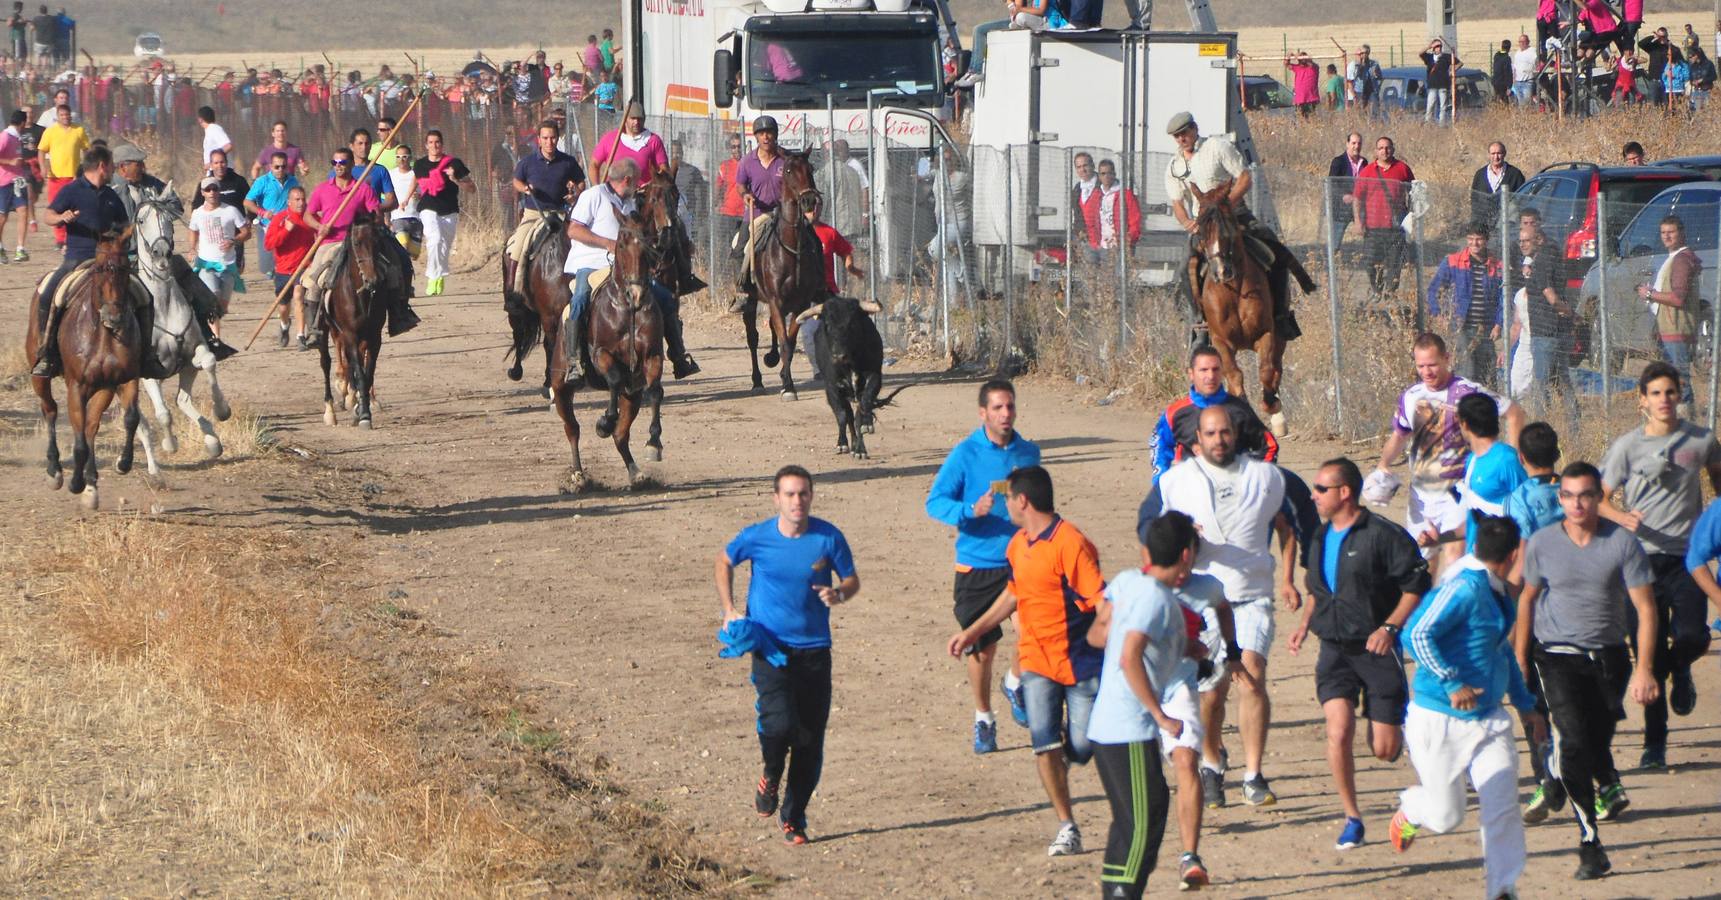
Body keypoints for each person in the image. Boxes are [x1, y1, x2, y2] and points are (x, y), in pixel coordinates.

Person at [947, 465, 1106, 857]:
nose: (1006, 506)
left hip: (1080, 662)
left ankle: (1067, 759)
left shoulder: (1072, 544)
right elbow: (1013, 595)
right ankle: (1067, 826)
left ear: (1022, 501)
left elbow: (1101, 602)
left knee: (1084, 746)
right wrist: (972, 631)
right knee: (1043, 743)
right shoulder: (1018, 545)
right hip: (1035, 662)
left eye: (1009, 499)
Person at [1514, 462, 1660, 880]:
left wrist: (1645, 668)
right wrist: (1521, 658)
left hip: (1609, 657)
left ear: (1599, 498)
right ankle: (1589, 841)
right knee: (1573, 738)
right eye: (1569, 495)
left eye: (1585, 495)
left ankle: (1558, 775)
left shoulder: (1621, 544)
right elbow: (1527, 599)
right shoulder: (1543, 543)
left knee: (1595, 742)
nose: (1577, 504)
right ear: (1559, 499)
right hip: (1556, 656)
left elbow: (1646, 610)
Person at [1388, 516, 1543, 900]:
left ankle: (1503, 889)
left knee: (1502, 804)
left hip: (1488, 719)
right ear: (1513, 554)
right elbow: (1415, 633)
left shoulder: (1497, 590)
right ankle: (1412, 808)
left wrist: (1527, 705)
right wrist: (1452, 681)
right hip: (1438, 717)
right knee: (1446, 816)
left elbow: (1499, 649)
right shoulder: (1465, 588)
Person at [1152, 405, 1297, 808]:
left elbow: (1291, 526)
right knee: (1211, 692)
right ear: (1197, 440)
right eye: (1211, 434)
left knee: (1251, 673)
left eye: (1225, 432)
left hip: (1251, 593)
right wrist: (1186, 539)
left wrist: (1289, 578)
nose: (1219, 440)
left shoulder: (1266, 477)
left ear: (1236, 434)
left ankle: (1254, 774)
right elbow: (1157, 536)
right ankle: (1213, 763)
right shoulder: (1176, 482)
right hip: (1204, 597)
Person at [1288, 457, 1430, 850]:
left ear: (1344, 492)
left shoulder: (1383, 534)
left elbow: (1417, 582)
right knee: (1338, 730)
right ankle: (1352, 818)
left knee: (1384, 750)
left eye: (1321, 489)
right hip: (1334, 649)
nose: (1314, 496)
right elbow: (1319, 588)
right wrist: (1304, 624)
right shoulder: (1317, 537)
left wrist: (1390, 628)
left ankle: (1420, 790)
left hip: (1376, 649)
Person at [715, 465, 859, 846]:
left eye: (804, 494)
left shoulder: (828, 538)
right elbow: (725, 560)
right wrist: (730, 609)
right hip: (771, 649)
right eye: (790, 495)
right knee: (779, 726)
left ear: (811, 496)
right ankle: (771, 772)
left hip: (815, 651)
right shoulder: (758, 537)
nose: (798, 501)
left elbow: (851, 579)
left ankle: (794, 818)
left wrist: (839, 594)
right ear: (776, 498)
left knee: (810, 741)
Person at [1599, 363, 1721, 769]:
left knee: (1692, 636)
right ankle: (1655, 745)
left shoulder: (1702, 440)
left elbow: (1719, 487)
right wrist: (1621, 518)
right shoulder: (1626, 448)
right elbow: (1598, 498)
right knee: (1645, 652)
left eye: (1670, 392)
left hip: (1687, 559)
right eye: (1655, 393)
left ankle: (1679, 667)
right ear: (1641, 401)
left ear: (1680, 394)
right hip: (1640, 560)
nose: (1664, 400)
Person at [1082, 512, 1198, 899]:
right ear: (1186, 554)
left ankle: (1115, 891)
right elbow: (1128, 658)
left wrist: (1181, 645)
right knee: (1142, 823)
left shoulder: (1130, 582)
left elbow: (1100, 635)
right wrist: (1160, 714)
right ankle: (1123, 894)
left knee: (1136, 818)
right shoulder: (1156, 598)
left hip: (1109, 726)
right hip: (1127, 727)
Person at [926, 380, 1041, 753]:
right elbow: (935, 502)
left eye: (1009, 407)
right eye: (997, 408)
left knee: (1033, 633)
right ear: (982, 413)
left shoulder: (1029, 453)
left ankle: (1014, 681)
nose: (1005, 414)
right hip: (976, 564)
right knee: (981, 650)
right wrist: (968, 510)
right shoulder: (965, 455)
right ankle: (984, 718)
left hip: (1021, 560)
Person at [1368, 333, 1524, 571]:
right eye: (1421, 366)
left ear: (1447, 358)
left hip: (1457, 490)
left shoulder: (1467, 391)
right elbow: (1400, 435)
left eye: (1432, 364)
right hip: (1421, 493)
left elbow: (1514, 413)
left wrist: (1510, 455)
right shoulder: (1411, 396)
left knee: (1454, 559)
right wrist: (1383, 464)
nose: (1427, 371)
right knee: (1422, 563)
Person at [1164, 112, 1315, 340]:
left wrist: (1225, 205)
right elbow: (1177, 202)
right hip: (1205, 226)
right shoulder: (1175, 166)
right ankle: (1199, 321)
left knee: (1273, 249)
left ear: (1194, 128)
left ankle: (1280, 315)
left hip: (1236, 215)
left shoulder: (1217, 147)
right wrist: (1187, 222)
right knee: (1185, 269)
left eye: (1184, 133)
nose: (1181, 139)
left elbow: (1244, 177)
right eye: (1177, 136)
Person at [558, 159, 698, 382]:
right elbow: (574, 230)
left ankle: (678, 356)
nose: (638, 186)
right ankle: (574, 362)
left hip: (624, 268)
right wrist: (606, 243)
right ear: (627, 180)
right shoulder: (594, 195)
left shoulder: (630, 203)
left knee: (665, 298)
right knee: (580, 298)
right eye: (636, 181)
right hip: (591, 264)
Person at [1500, 421, 1567, 824]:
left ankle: (1546, 776)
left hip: (1536, 605)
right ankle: (1600, 778)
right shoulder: (1574, 489)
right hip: (1577, 602)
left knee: (1530, 696)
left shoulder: (1519, 499)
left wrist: (1504, 601)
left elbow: (1520, 558)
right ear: (1557, 453)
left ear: (1521, 458)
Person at [30, 145, 131, 378]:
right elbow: (47, 215)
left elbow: (124, 225)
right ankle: (47, 353)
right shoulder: (71, 190)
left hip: (109, 262)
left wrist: (124, 234)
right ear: (102, 166)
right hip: (77, 258)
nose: (114, 169)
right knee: (48, 294)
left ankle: (145, 352)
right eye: (112, 165)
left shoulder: (111, 195)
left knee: (142, 294)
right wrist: (61, 217)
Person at [1150, 345, 1278, 485]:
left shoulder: (1239, 410)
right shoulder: (1176, 412)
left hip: (1233, 492)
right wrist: (1161, 480)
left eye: (1215, 369)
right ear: (1191, 374)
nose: (1210, 376)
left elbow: (1269, 446)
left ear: (1222, 372)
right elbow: (1159, 443)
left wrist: (1252, 476)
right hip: (1189, 491)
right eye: (1204, 370)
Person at [503, 120, 586, 306]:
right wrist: (524, 188)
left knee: (581, 243)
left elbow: (581, 182)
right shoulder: (527, 162)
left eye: (553, 138)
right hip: (533, 214)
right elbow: (516, 181)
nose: (550, 142)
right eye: (545, 138)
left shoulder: (568, 162)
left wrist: (576, 193)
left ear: (558, 139)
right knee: (518, 246)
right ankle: (513, 291)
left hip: (561, 213)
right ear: (539, 140)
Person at [300, 148, 380, 334]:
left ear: (351, 164)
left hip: (356, 243)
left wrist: (366, 223)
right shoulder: (322, 189)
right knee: (315, 282)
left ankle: (399, 312)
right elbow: (307, 215)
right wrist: (320, 227)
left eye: (342, 162)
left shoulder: (362, 188)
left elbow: (376, 216)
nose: (338, 166)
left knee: (388, 270)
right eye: (334, 163)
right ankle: (313, 328)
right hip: (330, 242)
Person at [1515, 219, 1578, 424]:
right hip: (1554, 334)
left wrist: (1569, 312)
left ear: (1539, 240)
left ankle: (1541, 427)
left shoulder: (1540, 263)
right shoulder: (1547, 260)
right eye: (1520, 241)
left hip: (1544, 335)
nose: (1522, 244)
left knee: (1540, 386)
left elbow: (1551, 297)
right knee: (1562, 383)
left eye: (1527, 240)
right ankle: (1573, 425)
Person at [1635, 215, 1701, 409]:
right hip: (1670, 328)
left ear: (1682, 233)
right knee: (1673, 378)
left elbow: (1677, 298)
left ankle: (1685, 421)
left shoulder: (1680, 260)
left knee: (1680, 379)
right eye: (1663, 232)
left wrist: (1650, 294)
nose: (1666, 236)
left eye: (1671, 232)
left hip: (1676, 328)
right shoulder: (1675, 257)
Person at [1426, 226, 1504, 385]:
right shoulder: (1453, 261)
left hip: (1485, 329)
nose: (1474, 243)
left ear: (1486, 241)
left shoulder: (1496, 266)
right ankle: (1463, 406)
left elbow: (1503, 299)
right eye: (1470, 239)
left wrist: (1499, 323)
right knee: (1465, 371)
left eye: (1479, 239)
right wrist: (1439, 316)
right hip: (1459, 327)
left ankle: (1485, 407)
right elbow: (1433, 291)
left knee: (1487, 374)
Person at [1455, 394, 1527, 554]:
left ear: (1464, 424)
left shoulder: (1506, 459)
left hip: (1503, 560)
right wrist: (1438, 538)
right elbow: (1472, 517)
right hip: (1476, 557)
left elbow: (1525, 511)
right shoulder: (1471, 460)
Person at [732, 115, 787, 311]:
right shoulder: (747, 161)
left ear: (775, 135)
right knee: (740, 250)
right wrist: (746, 195)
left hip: (781, 214)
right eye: (762, 133)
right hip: (755, 214)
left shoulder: (784, 160)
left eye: (769, 133)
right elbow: (739, 185)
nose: (766, 137)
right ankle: (742, 292)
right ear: (756, 137)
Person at [187, 176, 252, 337]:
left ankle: (207, 326)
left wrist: (233, 241)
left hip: (227, 265)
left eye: (215, 189)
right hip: (206, 264)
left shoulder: (230, 211)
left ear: (219, 191)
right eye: (208, 190)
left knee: (221, 306)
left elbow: (246, 232)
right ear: (202, 193)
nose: (212, 193)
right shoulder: (197, 213)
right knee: (212, 299)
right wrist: (192, 248)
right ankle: (216, 338)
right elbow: (193, 230)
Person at [413, 130, 473, 297]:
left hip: (449, 209)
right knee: (435, 238)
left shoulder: (454, 163)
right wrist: (409, 196)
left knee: (445, 246)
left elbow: (472, 188)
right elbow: (418, 182)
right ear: (426, 145)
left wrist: (456, 179)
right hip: (428, 207)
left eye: (437, 142)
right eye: (431, 142)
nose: (434, 145)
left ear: (442, 144)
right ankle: (432, 276)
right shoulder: (419, 165)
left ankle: (439, 274)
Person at [1351, 136, 1413, 299]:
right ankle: (1377, 289)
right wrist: (1358, 222)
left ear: (1393, 149)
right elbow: (1357, 198)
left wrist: (1411, 215)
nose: (1384, 151)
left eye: (1387, 147)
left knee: (1395, 263)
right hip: (1373, 227)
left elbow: (1414, 192)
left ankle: (1390, 292)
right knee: (1371, 262)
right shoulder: (1367, 171)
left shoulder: (1403, 169)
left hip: (1396, 227)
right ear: (1375, 151)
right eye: (1381, 148)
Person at [264, 186, 315, 350]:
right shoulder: (280, 218)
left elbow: (320, 235)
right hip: (283, 269)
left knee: (299, 296)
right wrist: (285, 230)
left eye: (302, 199)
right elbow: (269, 244)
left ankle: (301, 336)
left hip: (303, 267)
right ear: (289, 202)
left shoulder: (310, 218)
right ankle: (284, 325)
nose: (301, 203)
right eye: (297, 200)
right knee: (283, 307)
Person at [244, 150, 298, 292]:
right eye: (277, 167)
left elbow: (298, 200)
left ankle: (283, 289)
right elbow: (247, 201)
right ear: (270, 166)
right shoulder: (262, 181)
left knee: (286, 261)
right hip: (268, 226)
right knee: (268, 265)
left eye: (283, 166)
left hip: (287, 226)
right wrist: (262, 212)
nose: (280, 170)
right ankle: (276, 280)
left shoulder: (293, 181)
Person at [36, 103, 86, 251]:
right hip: (56, 177)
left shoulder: (79, 130)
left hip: (73, 177)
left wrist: (84, 171)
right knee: (56, 207)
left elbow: (87, 150)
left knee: (74, 208)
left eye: (67, 114)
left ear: (71, 115)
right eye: (62, 115)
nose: (65, 117)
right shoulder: (50, 132)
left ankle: (70, 238)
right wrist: (43, 167)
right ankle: (59, 239)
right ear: (57, 117)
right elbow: (41, 151)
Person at [591, 100, 669, 181]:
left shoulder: (654, 140)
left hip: (643, 192)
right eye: (633, 118)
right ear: (625, 119)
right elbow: (594, 165)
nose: (636, 122)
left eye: (640, 119)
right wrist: (597, 188)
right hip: (613, 192)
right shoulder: (610, 139)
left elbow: (664, 170)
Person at [1080, 158, 1141, 259]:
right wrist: (1095, 242)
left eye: (1109, 173)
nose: (1106, 176)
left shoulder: (1125, 194)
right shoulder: (1096, 195)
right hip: (1102, 246)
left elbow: (1135, 220)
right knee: (1100, 273)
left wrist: (1127, 240)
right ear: (1099, 176)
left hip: (1119, 246)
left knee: (1119, 274)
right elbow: (1089, 220)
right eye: (1103, 174)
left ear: (1114, 174)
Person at [1469, 142, 1524, 235]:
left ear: (1504, 154)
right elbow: (1475, 200)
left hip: (1506, 227)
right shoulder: (1480, 174)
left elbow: (1521, 199)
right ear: (1489, 155)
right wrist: (1475, 224)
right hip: (1482, 226)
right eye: (1493, 154)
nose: (1496, 157)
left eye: (1499, 153)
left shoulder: (1515, 174)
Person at [1327, 132, 1366, 248]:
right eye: (1353, 143)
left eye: (1359, 143)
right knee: (1335, 242)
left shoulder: (1364, 162)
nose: (1356, 146)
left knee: (1369, 236)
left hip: (1360, 206)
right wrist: (1343, 195)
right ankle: (1333, 263)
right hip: (1341, 209)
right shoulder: (1338, 162)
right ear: (1347, 144)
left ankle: (1371, 262)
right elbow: (1331, 183)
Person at [0, 108, 27, 262]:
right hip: (4, 182)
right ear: (22, 123)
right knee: (3, 217)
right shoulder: (5, 137)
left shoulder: (18, 138)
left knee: (23, 211)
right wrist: (9, 162)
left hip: (18, 181)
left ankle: (20, 249)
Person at [1420, 38, 1458, 123]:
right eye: (1437, 46)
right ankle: (1428, 123)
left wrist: (1452, 71)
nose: (1439, 48)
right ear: (1433, 48)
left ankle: (1442, 124)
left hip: (1443, 85)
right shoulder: (1429, 58)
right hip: (1432, 86)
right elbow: (1420, 53)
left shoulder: (1446, 57)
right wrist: (1429, 46)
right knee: (1430, 105)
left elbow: (1459, 63)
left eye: (1440, 46)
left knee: (1443, 107)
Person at [1349, 44, 1384, 114]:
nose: (1362, 55)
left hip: (1372, 90)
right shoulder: (1355, 64)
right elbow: (1357, 76)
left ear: (1368, 53)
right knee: (1361, 112)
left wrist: (1376, 76)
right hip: (1360, 91)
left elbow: (1380, 77)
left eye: (1364, 53)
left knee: (1375, 110)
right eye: (1361, 53)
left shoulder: (1374, 64)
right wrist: (1361, 64)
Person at [1285, 51, 1320, 116]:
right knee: (1301, 119)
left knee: (1311, 118)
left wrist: (1301, 57)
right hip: (1300, 100)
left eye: (1303, 58)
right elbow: (1286, 64)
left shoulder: (1314, 67)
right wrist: (1289, 56)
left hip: (1311, 99)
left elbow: (1311, 64)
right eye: (1301, 59)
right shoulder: (1297, 68)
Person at [1511, 34, 1539, 104]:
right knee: (1520, 103)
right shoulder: (1517, 53)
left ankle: (1528, 113)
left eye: (1524, 41)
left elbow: (1539, 63)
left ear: (1528, 42)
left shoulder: (1533, 51)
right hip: (1518, 83)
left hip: (1527, 82)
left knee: (1526, 102)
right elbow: (1515, 68)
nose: (1522, 43)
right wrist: (1514, 81)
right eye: (1520, 41)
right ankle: (1523, 115)